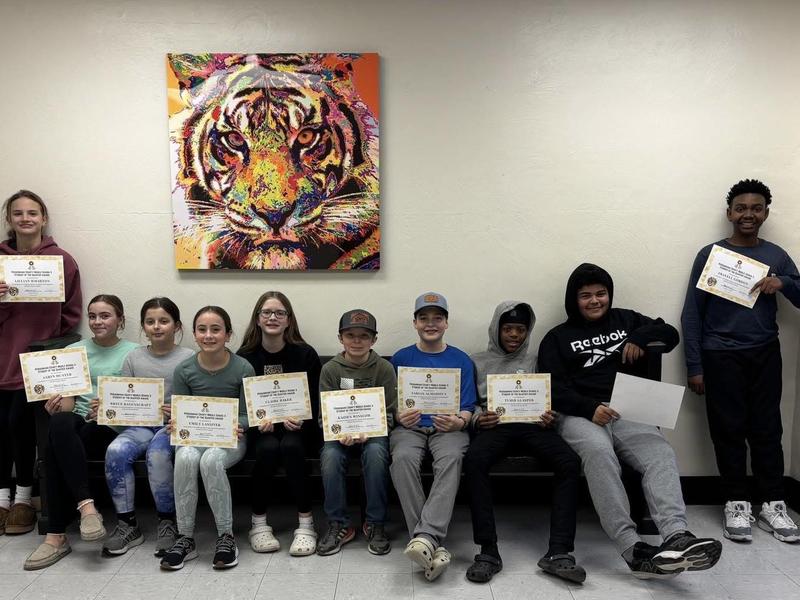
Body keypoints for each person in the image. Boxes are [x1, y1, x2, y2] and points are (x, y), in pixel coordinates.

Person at [538, 263, 722, 579]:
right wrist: (588, 407)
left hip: (628, 409)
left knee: (660, 453)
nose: (595, 301)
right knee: (600, 454)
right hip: (581, 414)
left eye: (601, 293)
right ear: (574, 299)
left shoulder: (626, 320)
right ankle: (632, 547)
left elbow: (669, 332)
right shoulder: (557, 337)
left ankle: (677, 535)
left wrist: (639, 335)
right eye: (586, 296)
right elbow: (550, 385)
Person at [681, 179, 800, 543]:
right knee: (728, 430)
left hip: (764, 353)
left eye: (756, 208)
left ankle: (774, 504)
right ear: (729, 212)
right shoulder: (710, 255)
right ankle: (736, 502)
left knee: (768, 430)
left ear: (765, 213)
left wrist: (782, 283)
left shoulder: (776, 256)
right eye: (741, 208)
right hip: (720, 356)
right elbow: (692, 314)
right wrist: (695, 366)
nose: (748, 214)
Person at [465, 301, 586, 584]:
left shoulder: (536, 360)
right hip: (495, 428)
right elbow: (467, 403)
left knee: (569, 462)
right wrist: (478, 419)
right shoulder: (476, 361)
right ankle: (488, 551)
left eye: (520, 329)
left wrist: (550, 418)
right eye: (508, 329)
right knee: (474, 460)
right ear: (497, 329)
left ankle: (559, 552)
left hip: (534, 427)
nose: (514, 335)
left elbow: (551, 398)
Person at [23, 295, 137, 570]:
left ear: (120, 319)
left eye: (105, 315)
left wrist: (113, 410)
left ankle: (55, 535)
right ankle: (87, 506)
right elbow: (69, 401)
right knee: (59, 422)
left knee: (55, 443)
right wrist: (55, 403)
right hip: (75, 423)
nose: (98, 322)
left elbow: (138, 401)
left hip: (110, 427)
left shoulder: (134, 352)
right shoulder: (73, 351)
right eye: (93, 316)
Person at [0, 190, 82, 536]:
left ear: (43, 218)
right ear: (9, 220)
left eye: (32, 213)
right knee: (0, 431)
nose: (25, 219)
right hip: (2, 358)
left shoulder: (62, 261)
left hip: (39, 363)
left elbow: (72, 315)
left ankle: (24, 497)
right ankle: (2, 499)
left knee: (26, 432)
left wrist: (49, 343)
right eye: (18, 213)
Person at [160, 306, 254, 571]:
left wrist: (239, 424)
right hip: (195, 437)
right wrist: (175, 423)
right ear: (194, 334)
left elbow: (249, 414)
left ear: (228, 334)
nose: (209, 335)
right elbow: (180, 412)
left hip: (230, 439)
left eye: (216, 329)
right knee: (187, 456)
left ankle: (226, 537)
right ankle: (185, 537)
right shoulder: (185, 370)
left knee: (211, 460)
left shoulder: (243, 367)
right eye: (202, 329)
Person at [390, 292, 476, 582]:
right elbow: (392, 404)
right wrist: (399, 416)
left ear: (446, 323)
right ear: (414, 322)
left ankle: (424, 538)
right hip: (410, 428)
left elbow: (468, 407)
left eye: (437, 318)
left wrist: (460, 420)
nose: (430, 323)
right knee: (401, 458)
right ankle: (429, 540)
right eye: (424, 318)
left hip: (447, 428)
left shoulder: (461, 359)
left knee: (452, 458)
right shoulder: (401, 357)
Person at [101, 298, 194, 557]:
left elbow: (198, 400)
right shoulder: (134, 357)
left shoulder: (189, 358)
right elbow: (122, 397)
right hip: (140, 426)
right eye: (150, 322)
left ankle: (167, 522)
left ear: (176, 326)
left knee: (158, 454)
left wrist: (177, 411)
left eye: (164, 321)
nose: (157, 327)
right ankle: (127, 525)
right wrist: (106, 403)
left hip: (171, 427)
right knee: (116, 450)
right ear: (143, 326)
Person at [237, 291, 322, 556]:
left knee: (293, 448)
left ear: (288, 320)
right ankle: (258, 524)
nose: (273, 317)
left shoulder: (305, 354)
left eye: (279, 313)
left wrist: (300, 418)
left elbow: (316, 402)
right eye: (266, 312)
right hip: (260, 429)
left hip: (299, 427)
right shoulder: (245, 356)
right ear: (258, 319)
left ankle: (306, 524)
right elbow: (241, 403)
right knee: (267, 449)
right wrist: (255, 421)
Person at [316, 309, 396, 556]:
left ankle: (375, 522)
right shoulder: (330, 369)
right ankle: (338, 524)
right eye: (350, 335)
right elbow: (323, 416)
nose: (357, 341)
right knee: (330, 457)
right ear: (341, 338)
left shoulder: (384, 368)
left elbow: (391, 413)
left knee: (376, 455)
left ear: (374, 339)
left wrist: (372, 430)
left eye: (364, 336)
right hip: (340, 436)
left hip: (374, 434)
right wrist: (338, 433)